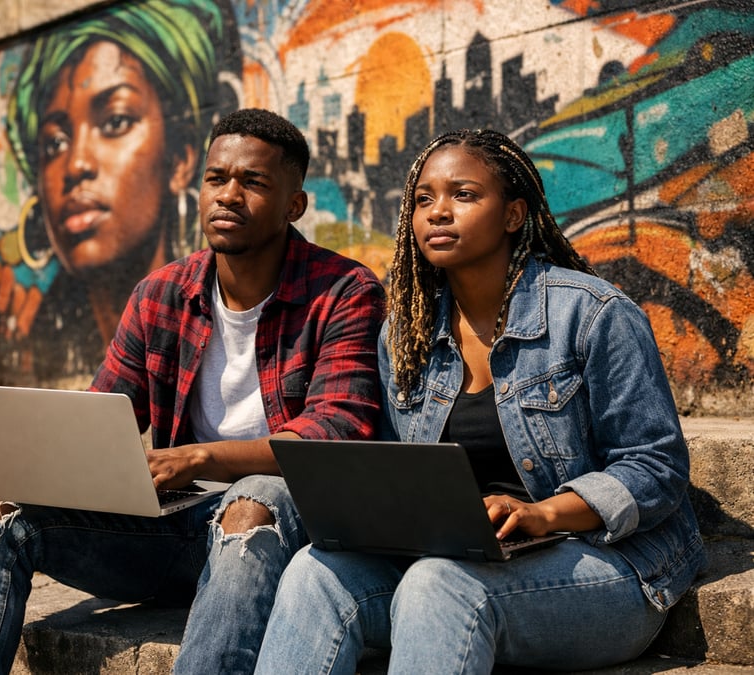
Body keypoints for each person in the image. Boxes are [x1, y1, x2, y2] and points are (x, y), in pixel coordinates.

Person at [0, 108, 387, 674]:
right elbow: (102, 414)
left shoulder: (344, 291)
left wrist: (199, 457)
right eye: (216, 179)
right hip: (173, 527)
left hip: (279, 532)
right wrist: (55, 456)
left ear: (294, 205)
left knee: (252, 501)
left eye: (253, 182)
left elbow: (334, 433)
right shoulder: (161, 293)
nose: (228, 195)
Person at [254, 128, 707, 674]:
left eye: (463, 195)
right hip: (461, 555)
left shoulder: (593, 315)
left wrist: (544, 513)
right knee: (315, 571)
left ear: (514, 215)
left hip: (607, 567)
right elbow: (402, 471)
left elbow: (655, 466)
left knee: (437, 585)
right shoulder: (406, 335)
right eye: (424, 200)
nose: (438, 213)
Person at [0, 0, 241, 379]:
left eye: (115, 121)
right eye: (55, 143)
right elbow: (107, 410)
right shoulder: (140, 310)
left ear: (180, 160)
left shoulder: (238, 308)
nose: (76, 165)